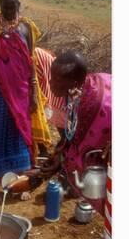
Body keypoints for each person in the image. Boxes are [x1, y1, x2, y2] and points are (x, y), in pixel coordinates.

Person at [0, 0, 51, 192]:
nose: (10, 11)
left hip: (20, 93)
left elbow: (31, 64)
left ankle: (21, 182)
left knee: (19, 133)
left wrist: (34, 93)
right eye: (5, 7)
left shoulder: (26, 29)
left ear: (18, 5)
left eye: (13, 7)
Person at [39, 50, 112, 216]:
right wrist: (58, 156)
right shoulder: (75, 92)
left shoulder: (98, 105)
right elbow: (72, 134)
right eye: (51, 76)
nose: (50, 82)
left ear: (72, 82)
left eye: (56, 80)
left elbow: (82, 144)